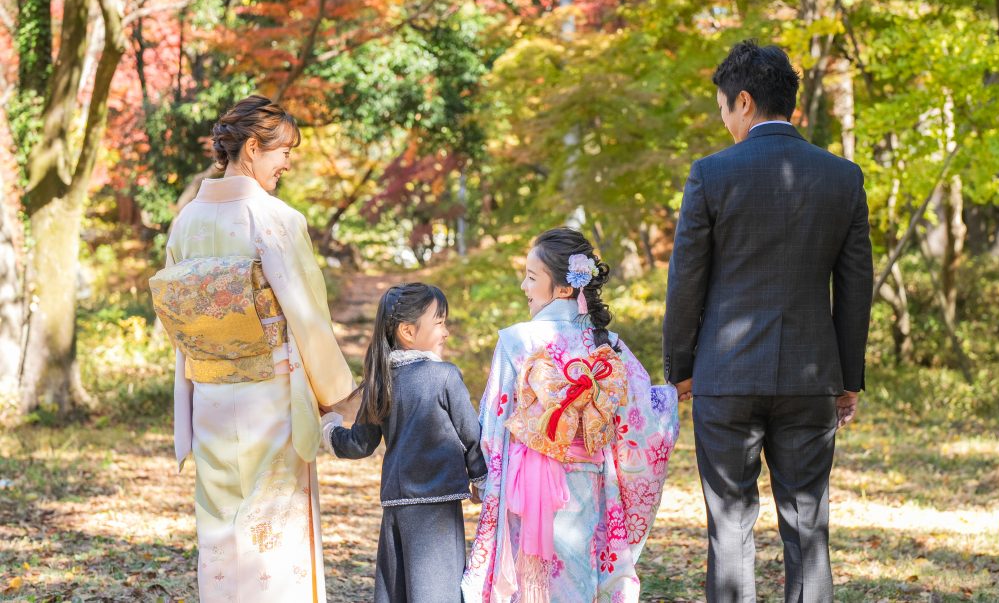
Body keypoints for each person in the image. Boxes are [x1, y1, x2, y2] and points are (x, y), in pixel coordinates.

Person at [663, 40, 873, 602]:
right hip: (811, 380)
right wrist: (848, 377)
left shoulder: (710, 175)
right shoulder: (843, 177)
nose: (725, 120)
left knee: (729, 528)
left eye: (724, 108)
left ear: (746, 102)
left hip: (725, 378)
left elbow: (686, 281)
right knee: (809, 527)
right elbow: (855, 289)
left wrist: (680, 368)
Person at [153, 95, 355, 601]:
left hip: (211, 396)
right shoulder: (275, 219)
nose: (288, 162)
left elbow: (181, 323)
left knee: (219, 527)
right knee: (275, 526)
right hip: (271, 395)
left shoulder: (185, 223)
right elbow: (307, 317)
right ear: (249, 148)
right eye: (282, 151)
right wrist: (338, 396)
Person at [462, 228, 679, 603]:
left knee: (529, 584)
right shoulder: (607, 345)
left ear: (563, 289)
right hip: (587, 485)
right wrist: (673, 396)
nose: (523, 286)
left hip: (523, 488)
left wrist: (485, 481)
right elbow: (641, 417)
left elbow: (494, 427)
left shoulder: (516, 340)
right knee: (579, 578)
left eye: (531, 278)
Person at [321, 282, 487, 603]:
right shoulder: (445, 377)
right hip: (437, 506)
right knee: (437, 591)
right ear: (408, 332)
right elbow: (471, 434)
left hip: (397, 507)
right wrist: (482, 478)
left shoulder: (380, 382)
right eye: (439, 322)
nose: (446, 331)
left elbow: (360, 443)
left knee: (400, 591)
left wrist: (329, 430)